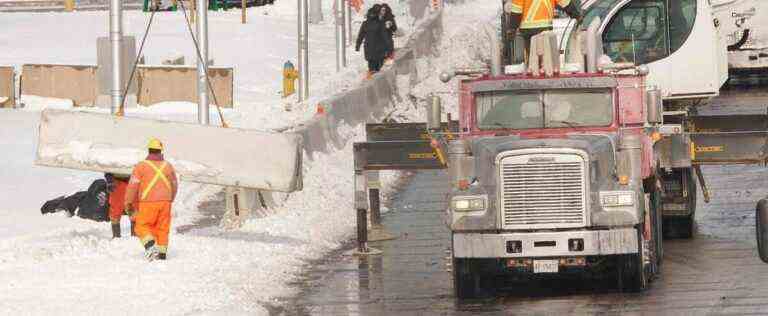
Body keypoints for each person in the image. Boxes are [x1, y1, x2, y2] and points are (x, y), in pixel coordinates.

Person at [125, 138, 178, 261]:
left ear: (149, 150)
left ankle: (150, 247)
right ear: (161, 151)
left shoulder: (141, 166)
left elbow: (133, 186)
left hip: (147, 202)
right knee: (162, 228)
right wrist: (171, 198)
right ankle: (162, 254)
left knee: (141, 226)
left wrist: (128, 202)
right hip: (166, 202)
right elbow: (174, 184)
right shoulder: (168, 166)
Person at [504, 0, 581, 55]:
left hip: (528, 29)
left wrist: (512, 29)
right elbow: (566, 3)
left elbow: (516, 11)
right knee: (546, 57)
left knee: (533, 57)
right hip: (546, 27)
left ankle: (534, 73)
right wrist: (577, 15)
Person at [356, 4, 389, 78]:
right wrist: (388, 48)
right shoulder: (380, 23)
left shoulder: (365, 24)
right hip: (379, 50)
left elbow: (360, 36)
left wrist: (357, 46)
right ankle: (376, 83)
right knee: (378, 69)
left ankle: (371, 79)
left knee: (371, 68)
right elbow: (385, 37)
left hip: (369, 49)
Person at [105, 173, 135, 239]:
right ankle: (116, 237)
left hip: (131, 182)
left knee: (133, 212)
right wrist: (109, 180)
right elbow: (107, 165)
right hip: (117, 183)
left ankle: (135, 238)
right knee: (115, 211)